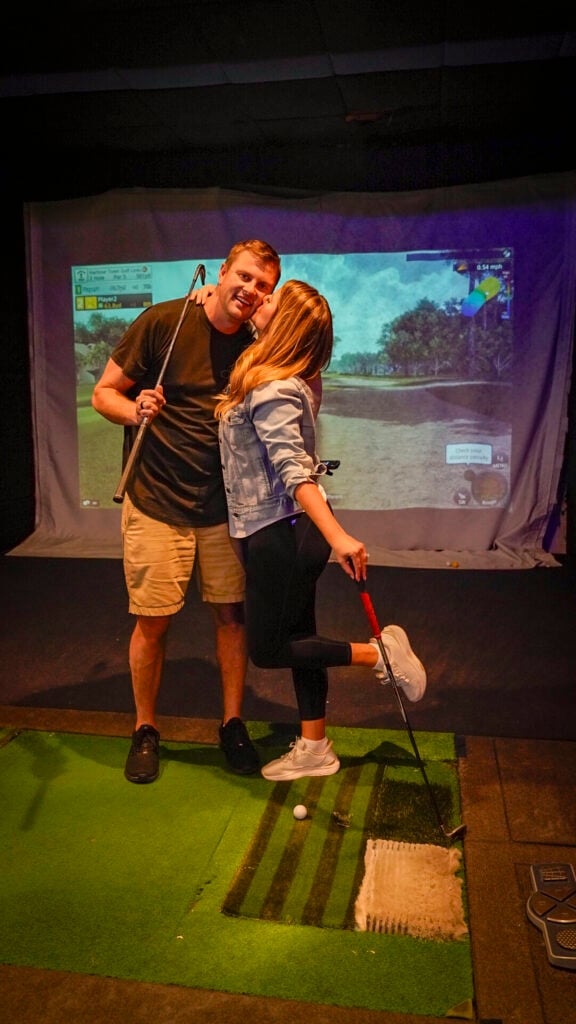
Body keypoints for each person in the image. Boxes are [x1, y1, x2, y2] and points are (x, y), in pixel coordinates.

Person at [215, 279, 427, 781]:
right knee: (301, 636)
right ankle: (314, 747)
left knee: (267, 650)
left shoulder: (272, 386)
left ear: (286, 322)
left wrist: (338, 537)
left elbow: (294, 471)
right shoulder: (284, 377)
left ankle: (379, 655)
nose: (259, 299)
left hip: (280, 532)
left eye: (271, 299)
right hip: (281, 530)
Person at [91, 240, 281, 783]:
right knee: (153, 622)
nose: (249, 290)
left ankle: (232, 722)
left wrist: (267, 326)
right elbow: (103, 394)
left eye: (262, 285)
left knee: (231, 617)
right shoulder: (164, 322)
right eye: (243, 276)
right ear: (222, 272)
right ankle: (145, 728)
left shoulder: (258, 342)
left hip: (227, 505)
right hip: (156, 500)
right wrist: (135, 408)